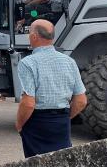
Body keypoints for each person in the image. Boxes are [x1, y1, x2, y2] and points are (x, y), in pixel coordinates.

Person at [15, 19, 88, 158]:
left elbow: (28, 103)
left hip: (37, 122)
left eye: (29, 32)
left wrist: (19, 124)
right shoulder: (69, 62)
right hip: (61, 123)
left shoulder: (27, 63)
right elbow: (81, 101)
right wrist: (65, 117)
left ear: (34, 37)